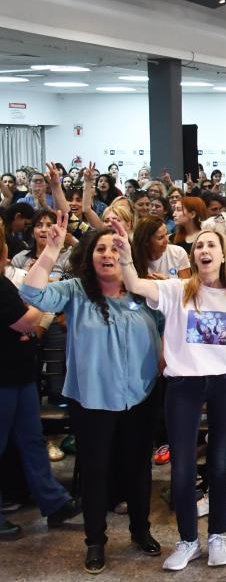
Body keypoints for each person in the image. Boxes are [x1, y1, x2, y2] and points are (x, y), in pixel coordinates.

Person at [111, 221, 226, 571]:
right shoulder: (178, 290)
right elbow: (133, 284)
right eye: (199, 247)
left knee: (221, 463)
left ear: (223, 255)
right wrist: (127, 257)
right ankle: (188, 540)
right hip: (184, 387)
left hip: (225, 384)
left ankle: (218, 535)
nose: (204, 251)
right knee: (183, 467)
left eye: (211, 246)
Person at [21, 219, 162, 572]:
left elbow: (170, 327)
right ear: (90, 256)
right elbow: (32, 294)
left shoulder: (143, 291)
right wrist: (51, 251)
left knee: (138, 469)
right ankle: (95, 541)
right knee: (96, 471)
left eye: (115, 247)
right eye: (100, 248)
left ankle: (140, 530)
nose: (108, 254)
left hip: (141, 397)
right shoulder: (74, 292)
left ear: (127, 253)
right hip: (92, 400)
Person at [0, 222, 81, 543]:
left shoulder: (5, 284)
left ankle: (54, 502)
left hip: (20, 376)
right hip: (4, 378)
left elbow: (26, 322)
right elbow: (28, 319)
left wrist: (28, 320)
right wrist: (34, 313)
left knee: (32, 441)